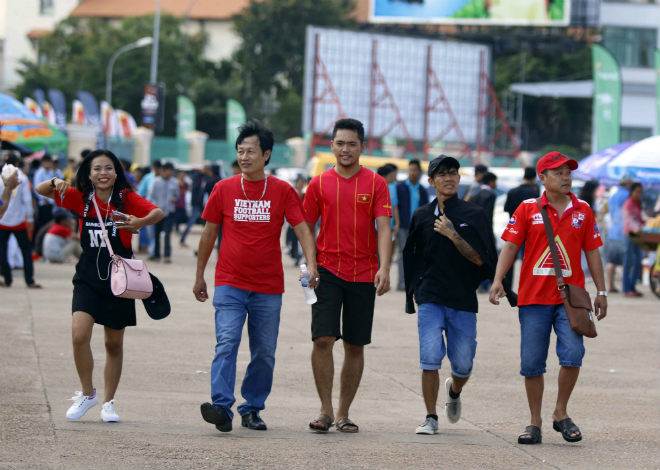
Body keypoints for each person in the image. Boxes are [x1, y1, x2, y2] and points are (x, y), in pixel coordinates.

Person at [193, 121, 317, 433]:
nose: (244, 157)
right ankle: (221, 407)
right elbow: (209, 233)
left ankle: (252, 408)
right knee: (227, 342)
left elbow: (301, 227)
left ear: (266, 155)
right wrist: (200, 276)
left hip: (267, 287)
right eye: (240, 151)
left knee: (264, 353)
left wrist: (311, 264)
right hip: (230, 283)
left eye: (250, 151)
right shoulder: (223, 188)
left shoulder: (282, 190)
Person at [36, 149, 164, 422]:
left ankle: (108, 402)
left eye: (108, 168)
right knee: (79, 335)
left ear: (116, 172)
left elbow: (158, 212)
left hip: (119, 280)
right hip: (87, 278)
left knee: (113, 344)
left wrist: (139, 222)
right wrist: (55, 182)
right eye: (97, 169)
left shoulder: (125, 199)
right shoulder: (80, 198)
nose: (103, 173)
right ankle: (87, 393)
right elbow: (40, 189)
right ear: (89, 174)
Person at [489, 151, 607, 445]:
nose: (566, 177)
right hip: (533, 300)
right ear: (542, 178)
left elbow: (592, 252)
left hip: (571, 302)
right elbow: (510, 246)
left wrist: (601, 292)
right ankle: (534, 422)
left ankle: (560, 412)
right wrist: (497, 280)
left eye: (568, 172)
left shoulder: (583, 210)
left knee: (573, 355)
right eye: (558, 173)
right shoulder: (528, 209)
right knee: (531, 363)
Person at [303, 118, 392, 434]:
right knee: (323, 338)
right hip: (326, 271)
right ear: (332, 146)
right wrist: (310, 265)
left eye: (351, 143)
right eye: (339, 143)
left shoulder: (376, 184)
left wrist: (384, 267)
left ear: (362, 147)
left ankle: (343, 412)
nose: (345, 149)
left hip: (363, 274)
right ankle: (325, 410)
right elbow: (305, 228)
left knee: (355, 345)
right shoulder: (318, 184)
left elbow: (384, 227)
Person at [403, 155, 496, 435]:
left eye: (453, 172)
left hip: (462, 299)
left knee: (464, 364)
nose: (448, 178)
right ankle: (431, 417)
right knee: (429, 358)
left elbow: (483, 260)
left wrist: (453, 235)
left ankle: (454, 392)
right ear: (431, 181)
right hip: (430, 296)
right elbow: (411, 255)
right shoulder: (421, 215)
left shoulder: (474, 215)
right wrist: (413, 292)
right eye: (441, 174)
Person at [0, 155, 40, 288]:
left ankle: (7, 278)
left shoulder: (1, 177)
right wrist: (29, 219)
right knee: (26, 251)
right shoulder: (21, 177)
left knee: (2, 251)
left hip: (3, 220)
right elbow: (27, 201)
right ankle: (29, 280)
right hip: (18, 220)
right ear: (18, 163)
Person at [395, 159, 429, 291]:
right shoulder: (400, 187)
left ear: (420, 172)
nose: (412, 172)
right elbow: (395, 206)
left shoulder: (422, 189)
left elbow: (426, 209)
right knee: (403, 253)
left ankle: (414, 281)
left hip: (418, 228)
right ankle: (402, 282)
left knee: (417, 254)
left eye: (415, 170)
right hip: (403, 226)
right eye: (410, 170)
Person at [148, 162, 179, 263]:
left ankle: (167, 255)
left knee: (167, 234)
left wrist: (174, 198)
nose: (169, 174)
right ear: (163, 171)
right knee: (156, 234)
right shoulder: (155, 182)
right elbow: (150, 196)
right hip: (158, 212)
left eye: (171, 172)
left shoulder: (174, 182)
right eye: (168, 172)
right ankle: (156, 254)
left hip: (169, 212)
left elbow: (177, 196)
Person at [603, 179, 631, 293]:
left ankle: (610, 285)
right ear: (628, 184)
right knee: (627, 261)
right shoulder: (628, 195)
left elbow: (605, 211)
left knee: (611, 261)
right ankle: (627, 286)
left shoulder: (613, 196)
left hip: (612, 231)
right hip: (624, 232)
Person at [622, 182, 644, 297]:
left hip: (638, 235)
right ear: (632, 191)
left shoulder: (638, 203)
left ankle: (632, 287)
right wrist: (637, 228)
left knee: (637, 261)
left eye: (640, 192)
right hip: (629, 234)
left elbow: (640, 218)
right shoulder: (628, 203)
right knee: (628, 261)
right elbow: (628, 219)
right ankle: (626, 289)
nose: (639, 194)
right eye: (637, 191)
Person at [32, 154, 64, 236]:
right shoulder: (39, 172)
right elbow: (37, 188)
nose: (49, 164)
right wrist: (44, 199)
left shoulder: (51, 171)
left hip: (52, 201)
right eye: (47, 162)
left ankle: (45, 238)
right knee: (43, 222)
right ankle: (38, 239)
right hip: (44, 202)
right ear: (43, 163)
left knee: (50, 222)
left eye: (50, 162)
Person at [180, 166, 207, 247]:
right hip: (197, 204)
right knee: (192, 221)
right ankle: (183, 238)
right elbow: (197, 192)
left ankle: (204, 242)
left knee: (204, 224)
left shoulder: (200, 178)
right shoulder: (198, 178)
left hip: (198, 203)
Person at [377, 163, 400, 251]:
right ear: (384, 176)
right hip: (376, 226)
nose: (393, 178)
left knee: (386, 250)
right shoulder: (375, 187)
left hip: (389, 226)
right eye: (391, 176)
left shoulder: (392, 187)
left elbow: (395, 206)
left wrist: (397, 223)